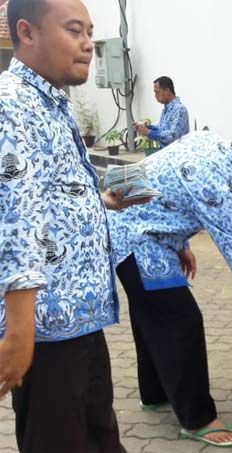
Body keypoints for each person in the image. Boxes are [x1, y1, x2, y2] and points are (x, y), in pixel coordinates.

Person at [0, 0, 147, 451]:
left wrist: (99, 202)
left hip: (79, 320)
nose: (88, 45)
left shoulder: (51, 100)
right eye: (74, 31)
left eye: (89, 31)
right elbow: (15, 217)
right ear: (27, 33)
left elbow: (47, 195)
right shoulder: (12, 104)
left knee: (100, 438)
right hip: (44, 331)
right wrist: (20, 331)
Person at [108, 116, 232, 448]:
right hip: (138, 239)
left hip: (129, 226)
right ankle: (198, 419)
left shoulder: (208, 141)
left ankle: (155, 394)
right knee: (182, 321)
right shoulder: (217, 184)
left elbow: (162, 181)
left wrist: (180, 244)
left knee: (151, 314)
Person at [135, 75, 190, 149]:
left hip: (175, 154)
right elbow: (162, 128)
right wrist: (146, 127)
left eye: (157, 92)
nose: (155, 96)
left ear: (167, 91)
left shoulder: (179, 109)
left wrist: (149, 132)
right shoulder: (166, 110)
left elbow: (173, 136)